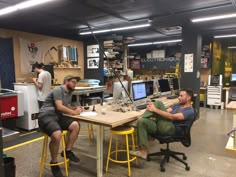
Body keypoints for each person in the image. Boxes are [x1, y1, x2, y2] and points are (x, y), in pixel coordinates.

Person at [130, 88, 195, 160]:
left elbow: (172, 117)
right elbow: (166, 111)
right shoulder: (178, 105)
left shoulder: (190, 111)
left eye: (181, 96)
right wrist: (153, 110)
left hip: (172, 130)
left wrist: (155, 109)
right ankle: (143, 151)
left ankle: (139, 118)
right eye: (179, 95)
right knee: (142, 121)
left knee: (159, 103)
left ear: (188, 98)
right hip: (163, 126)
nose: (178, 97)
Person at [38, 75, 83, 177]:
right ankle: (54, 163)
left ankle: (67, 151)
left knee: (75, 125)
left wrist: (76, 108)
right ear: (66, 81)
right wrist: (74, 113)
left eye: (76, 83)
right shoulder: (58, 90)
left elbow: (66, 106)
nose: (75, 85)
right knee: (57, 134)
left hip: (58, 117)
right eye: (73, 82)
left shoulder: (70, 92)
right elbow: (59, 106)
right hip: (46, 115)